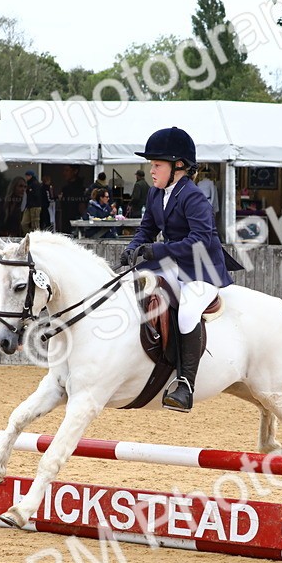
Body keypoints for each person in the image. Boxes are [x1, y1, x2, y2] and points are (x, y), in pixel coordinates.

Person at [120, 126, 242, 413]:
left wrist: (158, 250)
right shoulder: (155, 194)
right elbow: (147, 229)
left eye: (157, 165)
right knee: (134, 286)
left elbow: (200, 240)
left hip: (202, 268)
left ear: (178, 167)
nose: (151, 170)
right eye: (151, 164)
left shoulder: (194, 196)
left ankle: (185, 384)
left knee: (187, 311)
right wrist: (132, 248)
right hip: (174, 263)